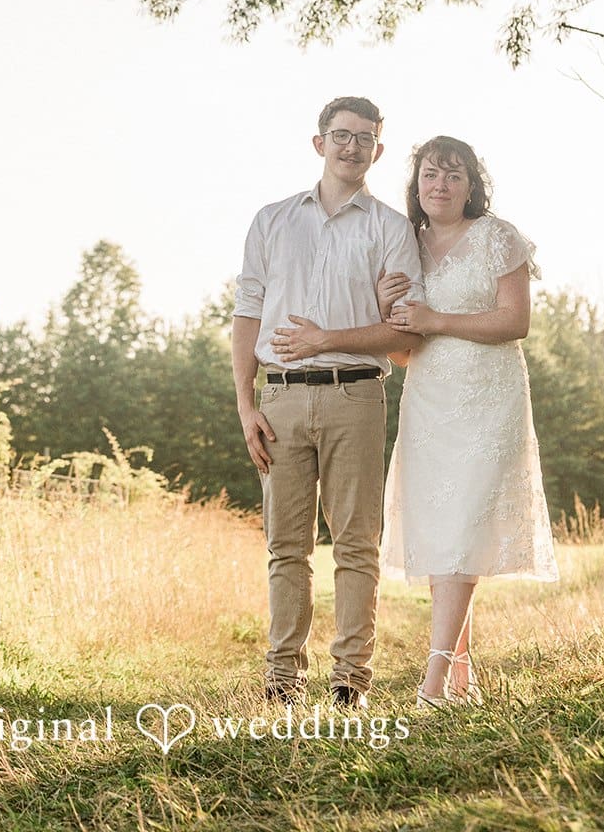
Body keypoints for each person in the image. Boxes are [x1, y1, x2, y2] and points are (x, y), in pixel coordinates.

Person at [232, 96, 423, 708]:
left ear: (378, 151)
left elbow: (405, 336)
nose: (351, 146)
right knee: (286, 545)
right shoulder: (272, 220)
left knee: (355, 544)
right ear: (320, 143)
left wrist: (334, 333)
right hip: (281, 399)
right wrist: (245, 403)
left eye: (364, 138)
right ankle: (282, 679)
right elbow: (247, 314)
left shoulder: (393, 229)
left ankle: (349, 681)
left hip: (356, 397)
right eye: (341, 135)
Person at [378, 135, 558, 707]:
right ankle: (462, 676)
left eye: (454, 176)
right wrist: (392, 314)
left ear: (472, 186)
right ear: (417, 183)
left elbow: (515, 322)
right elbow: (403, 350)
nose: (440, 185)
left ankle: (432, 681)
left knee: (462, 530)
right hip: (428, 399)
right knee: (442, 533)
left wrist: (434, 316)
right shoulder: (404, 245)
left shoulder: (498, 238)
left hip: (488, 399)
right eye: (431, 174)